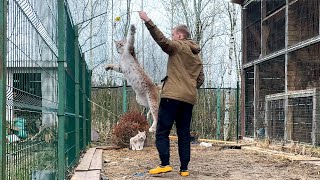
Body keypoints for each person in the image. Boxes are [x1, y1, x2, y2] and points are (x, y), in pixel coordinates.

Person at [138, 11, 203, 177]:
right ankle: (184, 169)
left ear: (180, 35)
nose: (171, 37)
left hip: (172, 96)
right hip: (188, 99)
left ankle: (165, 164)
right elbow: (200, 80)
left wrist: (148, 21)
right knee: (183, 133)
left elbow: (162, 41)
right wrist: (188, 85)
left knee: (162, 131)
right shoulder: (197, 57)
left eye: (173, 34)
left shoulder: (178, 46)